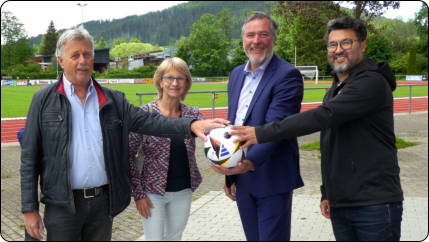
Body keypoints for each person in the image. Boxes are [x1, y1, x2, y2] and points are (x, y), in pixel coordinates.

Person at [20, 26, 228, 241]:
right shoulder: (43, 100)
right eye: (75, 55)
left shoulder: (114, 99)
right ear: (61, 61)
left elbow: (149, 120)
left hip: (102, 205)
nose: (82, 60)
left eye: (87, 54)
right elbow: (29, 158)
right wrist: (29, 208)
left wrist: (190, 126)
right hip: (63, 205)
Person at [229, 16, 404, 241]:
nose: (338, 50)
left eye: (346, 43)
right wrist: (327, 193)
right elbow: (330, 145)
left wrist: (259, 133)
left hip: (374, 203)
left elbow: (324, 117)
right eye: (333, 44)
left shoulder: (371, 83)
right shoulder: (336, 88)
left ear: (363, 45)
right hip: (343, 201)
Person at [209, 12, 304, 241]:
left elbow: (276, 127)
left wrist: (248, 163)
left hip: (271, 174)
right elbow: (234, 126)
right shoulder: (235, 75)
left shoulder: (287, 75)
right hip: (242, 176)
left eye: (263, 34)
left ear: (273, 39)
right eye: (250, 35)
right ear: (243, 40)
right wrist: (231, 173)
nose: (256, 40)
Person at [129, 57, 203, 241]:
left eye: (181, 78)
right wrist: (138, 194)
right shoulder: (145, 114)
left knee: (174, 238)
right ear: (160, 81)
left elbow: (213, 142)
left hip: (184, 190)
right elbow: (128, 155)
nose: (175, 83)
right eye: (169, 78)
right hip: (152, 193)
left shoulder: (193, 115)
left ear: (186, 83)